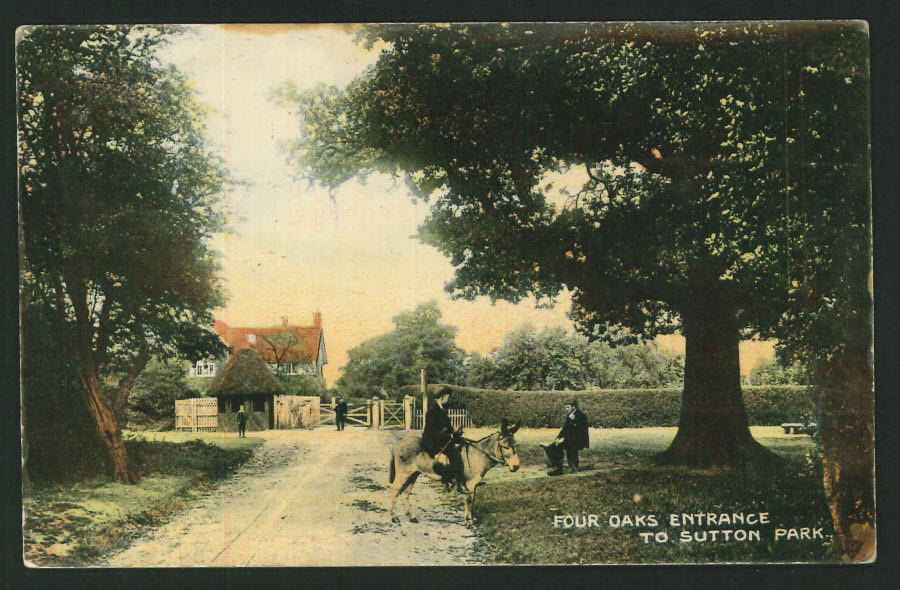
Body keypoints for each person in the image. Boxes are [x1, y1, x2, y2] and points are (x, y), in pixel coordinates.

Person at [422, 387, 464, 491]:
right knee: (450, 457)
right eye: (448, 397)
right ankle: (450, 480)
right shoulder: (431, 412)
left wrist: (455, 433)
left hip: (443, 441)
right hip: (432, 443)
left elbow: (448, 428)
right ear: (443, 397)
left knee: (460, 450)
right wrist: (448, 435)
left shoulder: (443, 410)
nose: (449, 399)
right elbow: (431, 433)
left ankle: (458, 480)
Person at [547, 400, 590, 476]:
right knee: (553, 446)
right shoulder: (570, 415)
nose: (566, 409)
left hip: (579, 439)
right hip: (570, 438)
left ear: (573, 407)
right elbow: (565, 429)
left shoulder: (581, 415)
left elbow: (582, 430)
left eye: (568, 407)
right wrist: (558, 437)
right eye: (565, 407)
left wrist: (573, 421)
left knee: (565, 446)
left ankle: (572, 467)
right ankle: (557, 467)